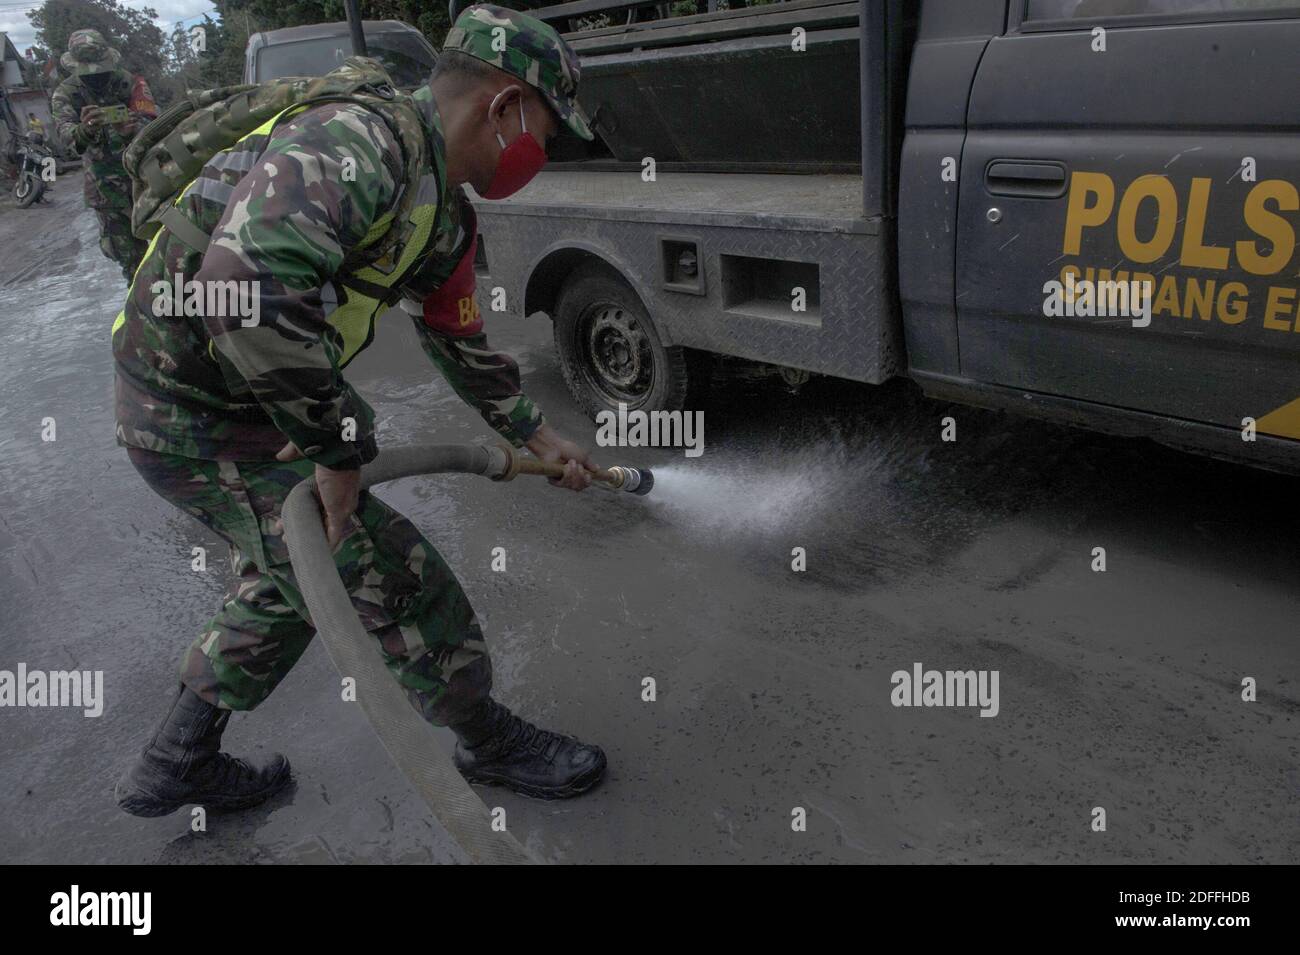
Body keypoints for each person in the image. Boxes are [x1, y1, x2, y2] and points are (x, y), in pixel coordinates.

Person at [113, 5, 609, 817]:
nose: (544, 155)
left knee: (298, 572)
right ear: (506, 106)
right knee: (393, 573)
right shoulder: (359, 146)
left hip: (243, 399)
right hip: (191, 413)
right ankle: (488, 740)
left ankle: (177, 757)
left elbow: (458, 334)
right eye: (548, 133)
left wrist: (534, 433)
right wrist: (340, 448)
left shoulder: (439, 205)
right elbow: (241, 288)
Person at [51, 29, 156, 281]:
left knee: (170, 250)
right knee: (131, 261)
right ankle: (146, 313)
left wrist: (133, 129)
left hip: (147, 181)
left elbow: (156, 124)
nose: (97, 77)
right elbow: (66, 138)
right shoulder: (66, 94)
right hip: (105, 190)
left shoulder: (129, 83)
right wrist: (84, 130)